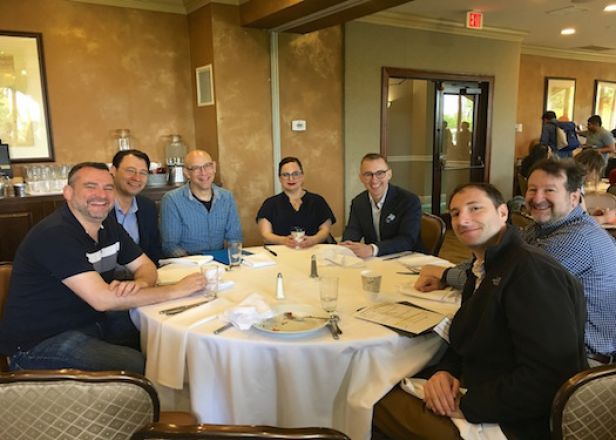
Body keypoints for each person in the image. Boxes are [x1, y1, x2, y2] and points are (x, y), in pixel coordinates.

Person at [374, 182, 587, 440]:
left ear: (502, 213)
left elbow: (547, 378)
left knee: (375, 400)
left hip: (519, 422)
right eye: (455, 213)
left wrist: (466, 406)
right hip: (479, 386)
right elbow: (467, 334)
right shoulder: (483, 268)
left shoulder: (531, 272)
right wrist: (446, 371)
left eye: (475, 209)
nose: (463, 220)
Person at [0, 162, 207, 373]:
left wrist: (141, 282)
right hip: (38, 342)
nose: (101, 195)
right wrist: (175, 290)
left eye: (108, 188)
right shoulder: (55, 235)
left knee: (169, 341)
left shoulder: (108, 226)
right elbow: (102, 300)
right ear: (68, 193)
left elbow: (145, 265)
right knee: (142, 365)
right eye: (90, 186)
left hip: (90, 322)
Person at [417, 159, 616, 366]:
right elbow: (492, 260)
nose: (537, 198)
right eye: (532, 189)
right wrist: (453, 273)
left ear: (574, 198)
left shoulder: (577, 239)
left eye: (549, 190)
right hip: (543, 338)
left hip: (580, 361)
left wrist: (444, 274)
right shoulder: (540, 228)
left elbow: (499, 277)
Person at [160, 150, 242, 257]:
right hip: (187, 266)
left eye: (207, 166)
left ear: (214, 167)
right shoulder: (171, 200)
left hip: (219, 265)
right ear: (186, 173)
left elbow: (235, 238)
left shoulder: (227, 197)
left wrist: (233, 262)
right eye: (196, 168)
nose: (203, 173)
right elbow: (170, 246)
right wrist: (194, 263)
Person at [340, 153, 424, 257]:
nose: (374, 180)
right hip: (376, 262)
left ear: (389, 174)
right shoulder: (358, 202)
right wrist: (347, 245)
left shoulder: (409, 200)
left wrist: (372, 249)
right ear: (361, 178)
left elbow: (407, 240)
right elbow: (353, 230)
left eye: (380, 173)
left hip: (408, 258)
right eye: (368, 174)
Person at [256, 156, 336, 248]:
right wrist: (283, 240)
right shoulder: (270, 204)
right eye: (286, 175)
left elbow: (325, 231)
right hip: (282, 255)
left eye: (295, 174)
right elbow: (266, 235)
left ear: (302, 176)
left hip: (315, 253)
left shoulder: (318, 201)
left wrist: (313, 240)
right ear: (280, 178)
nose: (291, 178)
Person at [109, 149, 162, 265]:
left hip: (142, 277)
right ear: (113, 171)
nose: (137, 178)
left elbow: (154, 252)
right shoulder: (100, 206)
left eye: (143, 173)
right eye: (130, 170)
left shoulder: (147, 207)